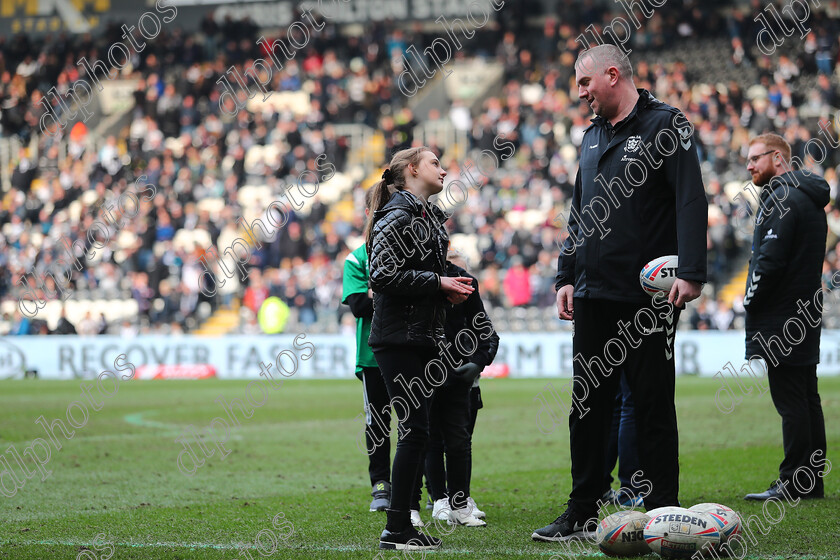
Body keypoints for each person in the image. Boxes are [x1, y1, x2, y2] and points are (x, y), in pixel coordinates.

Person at [534, 44, 707, 542]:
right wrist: (565, 275)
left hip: (647, 299)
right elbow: (578, 213)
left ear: (613, 75)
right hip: (591, 293)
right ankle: (582, 508)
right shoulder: (590, 138)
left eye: (585, 83)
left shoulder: (665, 125)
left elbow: (691, 200)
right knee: (587, 403)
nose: (581, 93)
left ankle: (663, 511)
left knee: (652, 402)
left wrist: (691, 271)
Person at [367, 146, 475, 551]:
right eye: (434, 163)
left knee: (418, 430)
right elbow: (381, 274)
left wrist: (445, 290)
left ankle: (401, 525)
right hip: (399, 339)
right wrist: (438, 284)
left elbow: (409, 274)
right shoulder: (400, 214)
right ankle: (397, 528)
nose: (443, 169)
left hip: (416, 337)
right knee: (415, 430)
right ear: (412, 170)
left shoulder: (423, 215)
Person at [742, 133, 828, 501]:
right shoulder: (810, 198)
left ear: (778, 158)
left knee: (791, 400)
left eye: (755, 159)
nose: (749, 167)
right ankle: (811, 481)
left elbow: (770, 261)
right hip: (805, 310)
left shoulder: (783, 198)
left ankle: (793, 481)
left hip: (781, 317)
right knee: (808, 397)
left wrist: (749, 298)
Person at [427, 251, 499, 528]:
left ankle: (458, 499)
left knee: (459, 439)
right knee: (432, 439)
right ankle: (438, 498)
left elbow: (488, 332)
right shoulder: (422, 287)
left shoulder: (468, 287)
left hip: (462, 378)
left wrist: (477, 363)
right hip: (432, 373)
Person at [342, 187, 392, 514]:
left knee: (423, 421)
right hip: (373, 355)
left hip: (415, 349)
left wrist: (380, 289)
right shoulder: (357, 258)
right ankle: (381, 485)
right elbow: (359, 305)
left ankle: (432, 488)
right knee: (378, 423)